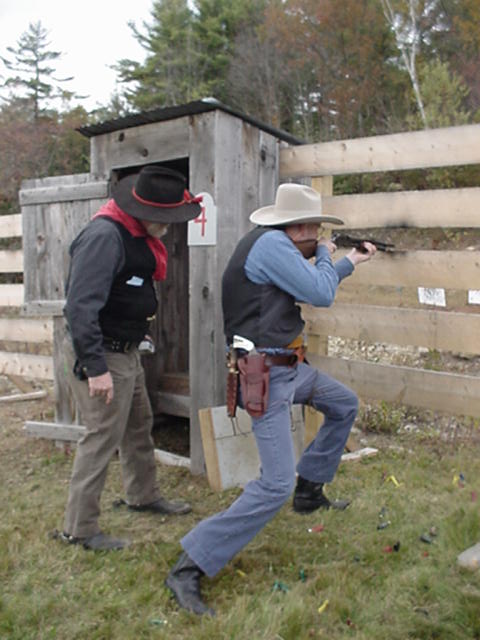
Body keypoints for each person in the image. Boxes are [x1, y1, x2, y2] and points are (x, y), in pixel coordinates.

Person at [165, 183, 376, 615]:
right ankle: (190, 566)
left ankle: (310, 490)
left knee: (344, 404)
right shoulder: (271, 247)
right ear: (299, 227)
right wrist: (324, 255)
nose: (317, 235)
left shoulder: (274, 244)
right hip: (267, 378)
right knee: (275, 483)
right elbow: (320, 292)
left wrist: (350, 260)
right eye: (315, 229)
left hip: (288, 369)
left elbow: (315, 282)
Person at [59, 166, 202, 551]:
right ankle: (80, 529)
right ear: (144, 211)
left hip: (125, 350)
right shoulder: (105, 237)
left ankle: (143, 496)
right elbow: (79, 308)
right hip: (101, 351)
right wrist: (95, 368)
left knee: (139, 425)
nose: (170, 227)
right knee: (101, 436)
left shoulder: (135, 233)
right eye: (166, 219)